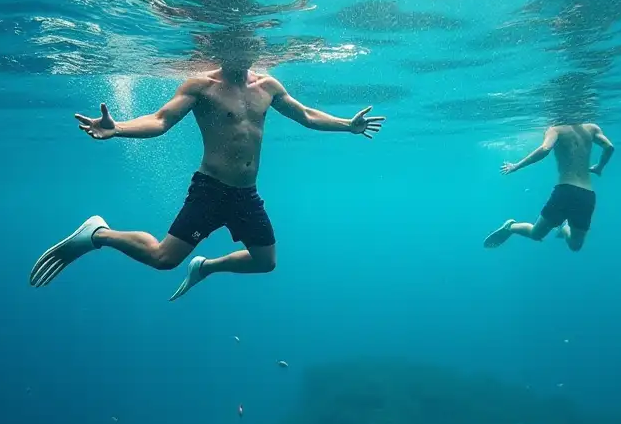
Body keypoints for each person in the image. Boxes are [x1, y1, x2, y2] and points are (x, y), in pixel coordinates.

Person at [29, 54, 386, 298]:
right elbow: (160, 120)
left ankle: (206, 267)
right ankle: (98, 234)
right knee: (163, 260)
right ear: (220, 47)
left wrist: (348, 126)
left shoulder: (268, 86)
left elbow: (306, 115)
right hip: (211, 191)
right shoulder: (201, 86)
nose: (241, 52)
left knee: (265, 262)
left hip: (246, 194)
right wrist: (118, 127)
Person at [483, 122, 614, 252]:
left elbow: (545, 149)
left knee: (557, 240)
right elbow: (609, 147)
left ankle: (563, 227)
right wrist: (599, 166)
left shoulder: (556, 129)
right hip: (579, 193)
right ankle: (510, 226)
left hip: (574, 192)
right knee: (559, 240)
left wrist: (516, 166)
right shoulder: (591, 128)